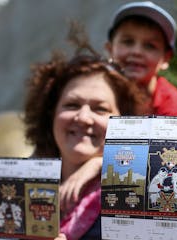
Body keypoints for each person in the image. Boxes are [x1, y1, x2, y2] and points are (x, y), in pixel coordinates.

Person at [24, 52, 144, 239]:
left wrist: (103, 164)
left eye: (100, 109)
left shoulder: (137, 201)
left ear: (124, 121)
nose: (83, 118)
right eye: (72, 105)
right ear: (50, 114)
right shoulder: (19, 190)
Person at [105, 1, 177, 117]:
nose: (137, 52)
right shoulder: (93, 90)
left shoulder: (174, 113)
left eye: (150, 46)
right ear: (110, 49)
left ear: (166, 58)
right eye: (128, 42)